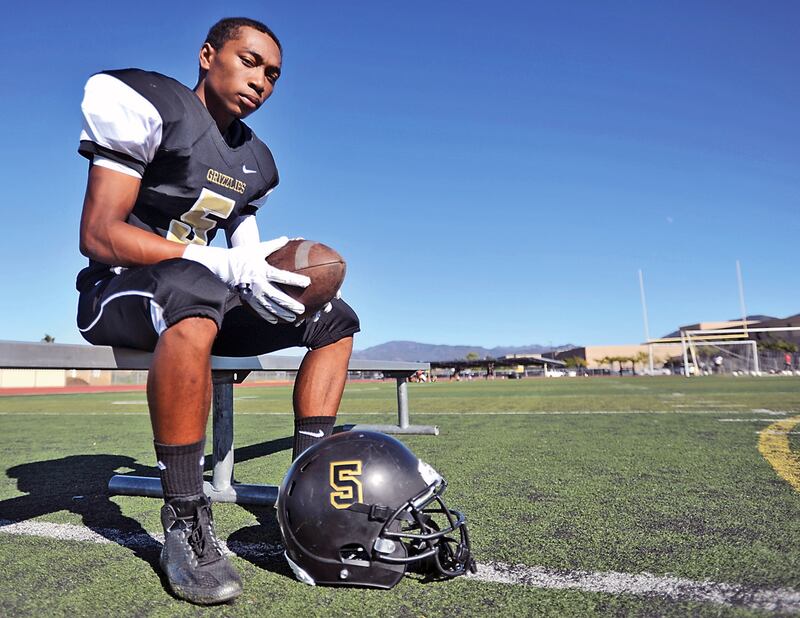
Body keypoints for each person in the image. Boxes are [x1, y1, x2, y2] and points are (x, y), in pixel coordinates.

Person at [75, 17, 359, 604]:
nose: (262, 81)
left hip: (197, 292)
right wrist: (222, 265)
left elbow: (244, 256)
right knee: (196, 287)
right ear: (208, 55)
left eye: (274, 74)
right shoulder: (153, 105)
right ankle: (184, 512)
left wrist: (260, 270)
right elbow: (99, 235)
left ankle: (303, 498)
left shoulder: (255, 159)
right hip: (118, 288)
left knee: (334, 315)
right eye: (250, 61)